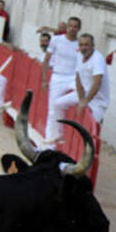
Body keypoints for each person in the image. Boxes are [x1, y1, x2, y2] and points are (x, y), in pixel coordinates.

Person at [41, 17, 81, 145]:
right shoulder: (56, 40)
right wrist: (44, 79)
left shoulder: (80, 44)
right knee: (52, 109)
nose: (72, 28)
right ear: (67, 27)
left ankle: (59, 135)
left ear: (79, 29)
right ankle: (50, 138)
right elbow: (46, 60)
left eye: (75, 26)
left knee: (81, 95)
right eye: (71, 26)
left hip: (73, 77)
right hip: (58, 76)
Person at [54, 33, 110, 124]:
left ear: (92, 46)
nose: (83, 47)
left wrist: (85, 102)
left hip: (98, 100)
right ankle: (57, 134)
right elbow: (78, 78)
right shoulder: (79, 55)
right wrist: (81, 100)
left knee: (90, 125)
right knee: (58, 104)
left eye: (86, 45)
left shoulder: (97, 59)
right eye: (81, 45)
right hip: (84, 94)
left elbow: (97, 83)